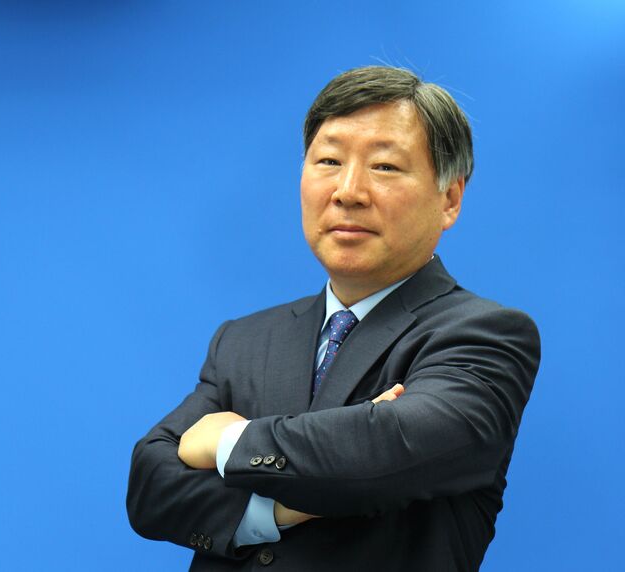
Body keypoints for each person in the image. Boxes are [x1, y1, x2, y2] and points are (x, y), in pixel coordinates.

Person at [126, 65, 540, 572]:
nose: (348, 191)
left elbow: (387, 453)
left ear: (449, 199)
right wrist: (277, 511)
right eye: (328, 160)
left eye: (384, 166)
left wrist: (228, 440)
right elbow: (150, 486)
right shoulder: (244, 340)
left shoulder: (484, 336)